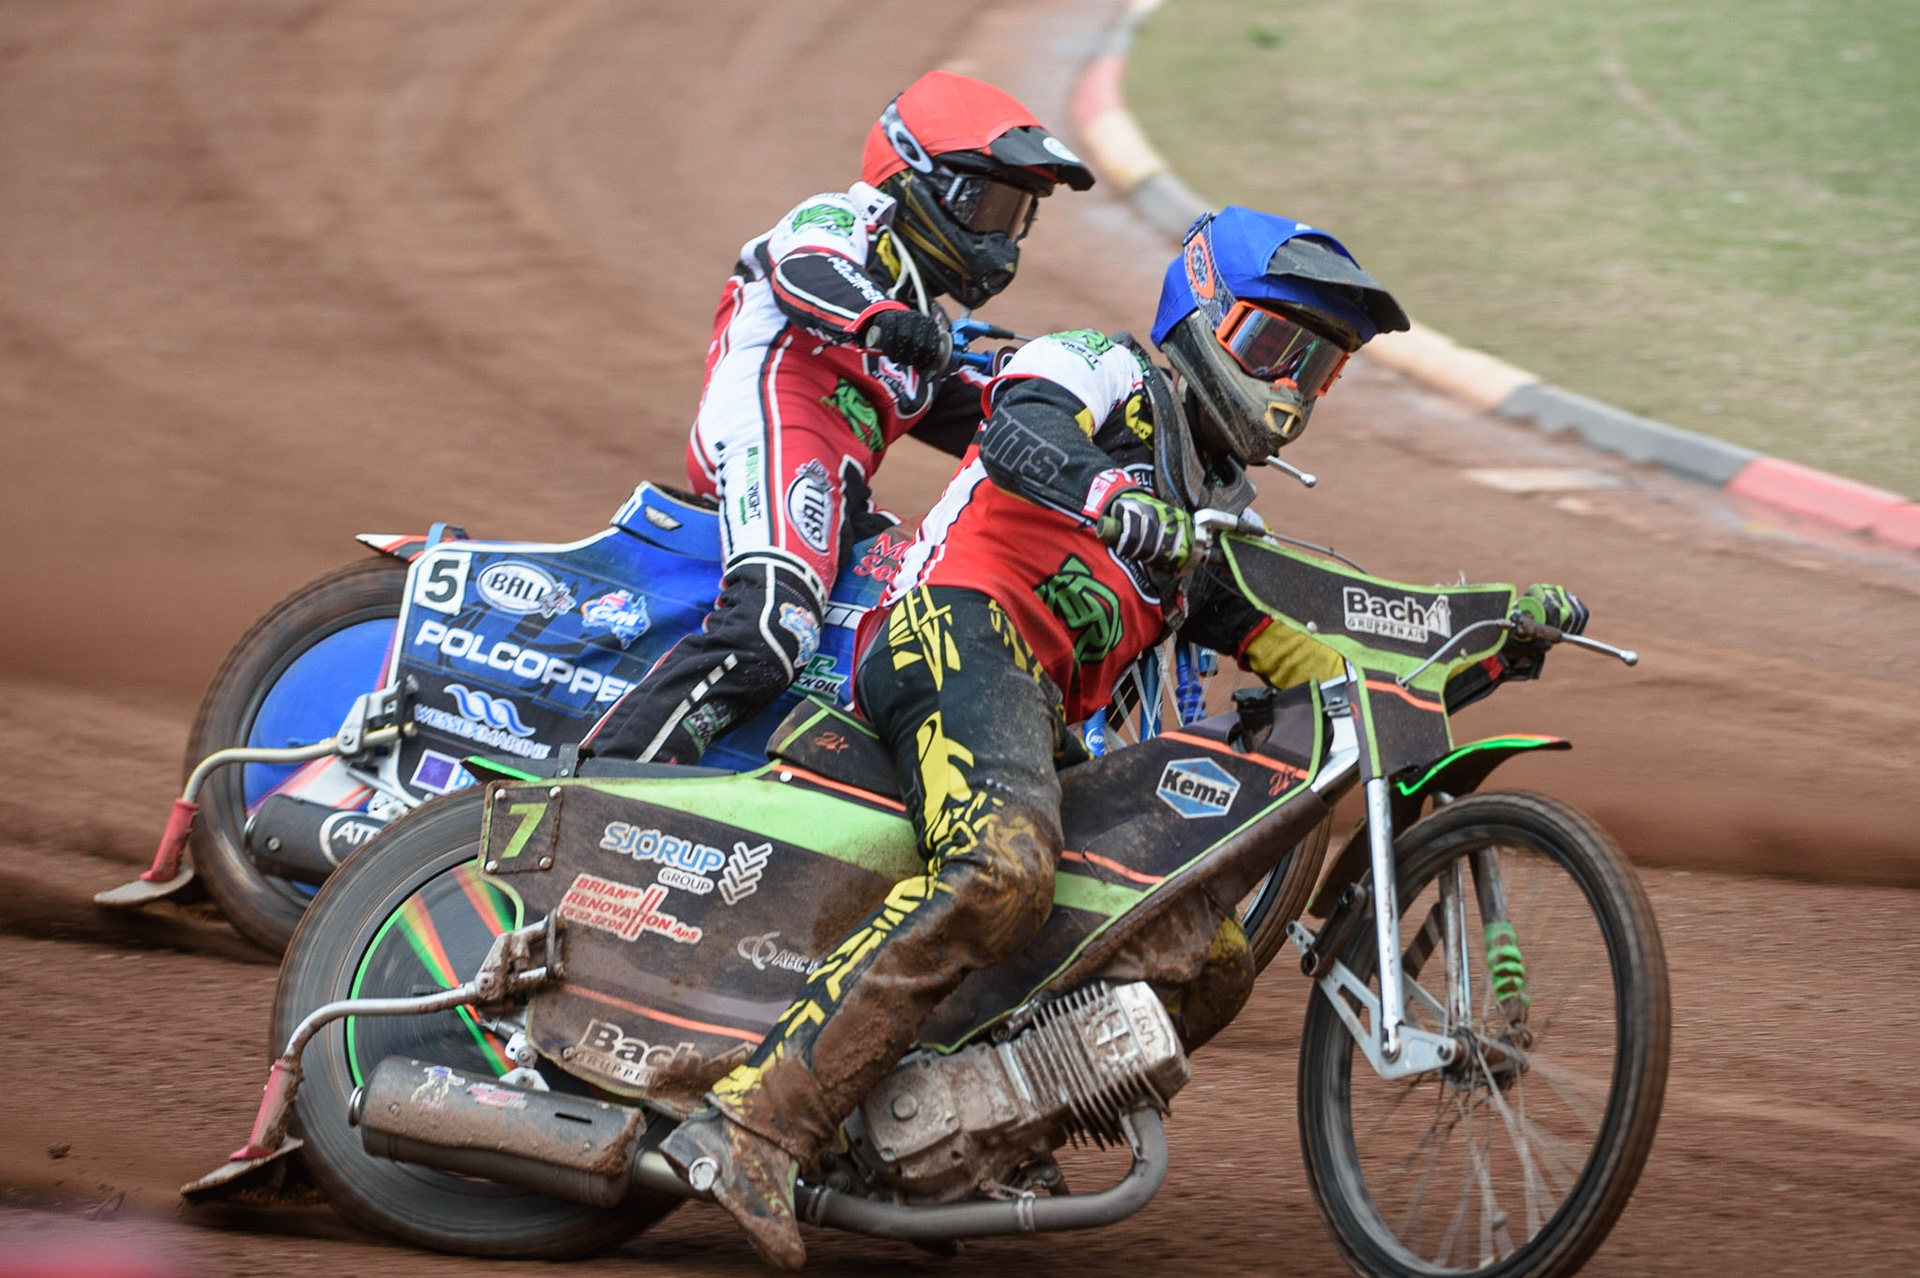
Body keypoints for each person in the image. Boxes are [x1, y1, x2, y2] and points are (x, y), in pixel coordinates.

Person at [659, 207, 1589, 1268]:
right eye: (1275, 347)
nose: (1289, 386)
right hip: (951, 631)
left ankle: (960, 1124)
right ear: (1199, 315)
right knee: (1001, 871)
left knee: (1207, 957)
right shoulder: (1098, 364)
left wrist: (1486, 648)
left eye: (1316, 369)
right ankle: (749, 1126)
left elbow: (1312, 654)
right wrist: (1111, 490)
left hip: (1034, 714)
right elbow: (1020, 432)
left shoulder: (1216, 518)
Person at [583, 71, 1094, 764]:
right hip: (772, 423)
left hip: (836, 488)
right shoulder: (842, 221)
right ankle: (593, 784)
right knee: (771, 629)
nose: (1001, 240)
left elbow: (997, 424)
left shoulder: (925, 332)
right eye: (987, 206)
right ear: (913, 176)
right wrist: (886, 322)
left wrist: (1093, 439)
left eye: (1016, 216)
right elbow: (807, 274)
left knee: (910, 621)